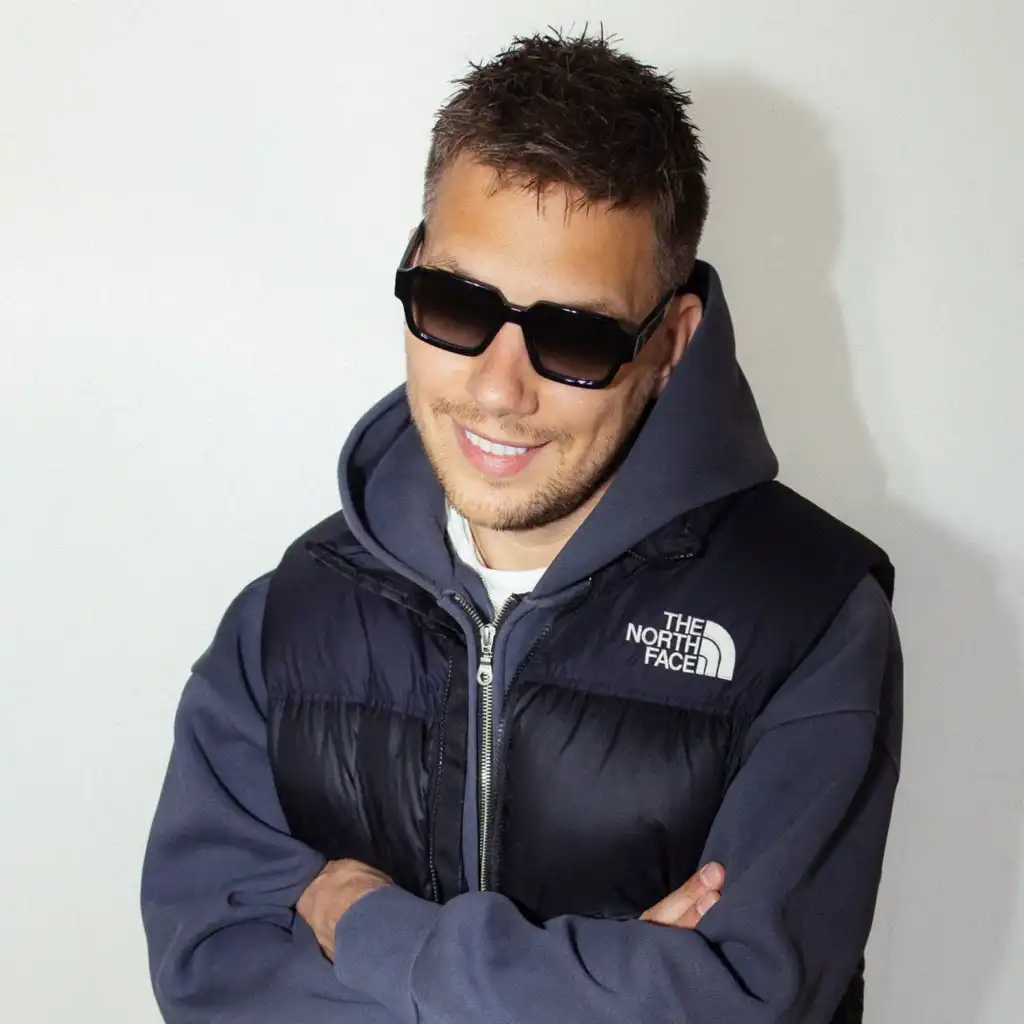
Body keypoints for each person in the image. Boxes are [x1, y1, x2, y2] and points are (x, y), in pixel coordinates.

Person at [141, 31, 902, 1024]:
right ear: (413, 268)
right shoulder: (285, 622)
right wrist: (610, 989)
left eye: (575, 336)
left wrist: (365, 927)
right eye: (456, 304)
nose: (500, 389)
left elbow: (743, 1000)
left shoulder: (808, 618)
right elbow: (211, 977)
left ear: (671, 342)